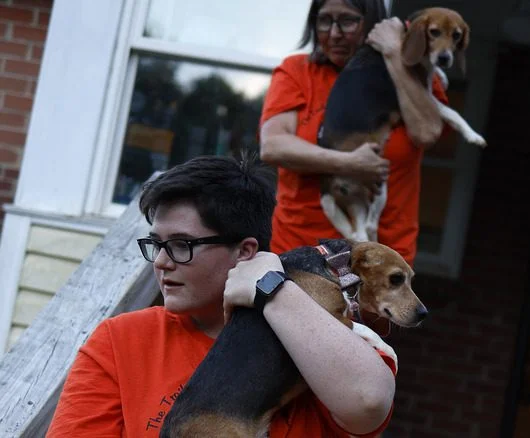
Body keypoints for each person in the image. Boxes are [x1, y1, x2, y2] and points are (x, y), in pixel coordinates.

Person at [46, 155, 397, 437]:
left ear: (246, 252)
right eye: (156, 245)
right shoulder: (121, 341)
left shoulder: (329, 339)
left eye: (182, 245)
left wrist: (272, 288)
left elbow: (367, 402)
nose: (163, 263)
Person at [260, 0, 448, 264]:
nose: (334, 33)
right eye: (324, 20)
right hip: (301, 250)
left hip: (384, 256)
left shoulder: (415, 75)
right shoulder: (298, 71)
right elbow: (273, 146)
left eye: (348, 21)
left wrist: (394, 53)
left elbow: (427, 133)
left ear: (373, 23)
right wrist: (350, 163)